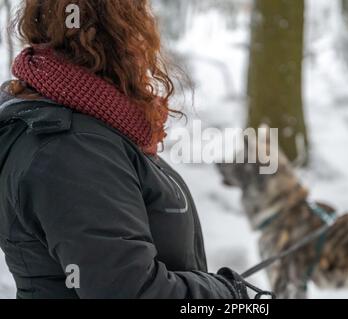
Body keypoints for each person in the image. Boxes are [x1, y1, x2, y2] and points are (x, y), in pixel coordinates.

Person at [0, 0, 257, 299]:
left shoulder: (90, 122)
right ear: (117, 34)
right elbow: (128, 291)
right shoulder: (71, 150)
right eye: (140, 20)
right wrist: (226, 295)